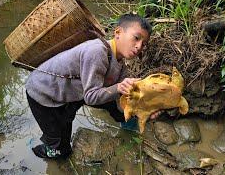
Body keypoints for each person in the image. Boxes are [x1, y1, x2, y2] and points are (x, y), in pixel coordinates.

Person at [25, 13, 159, 159]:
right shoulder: (97, 52)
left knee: (112, 105)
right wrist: (119, 87)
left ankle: (128, 123)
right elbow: (90, 97)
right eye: (136, 37)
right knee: (59, 147)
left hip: (72, 91)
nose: (139, 46)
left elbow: (124, 98)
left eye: (144, 43)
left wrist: (143, 111)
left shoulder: (121, 66)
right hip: (43, 93)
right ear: (118, 32)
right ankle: (48, 150)